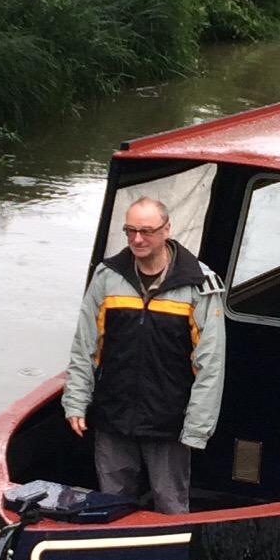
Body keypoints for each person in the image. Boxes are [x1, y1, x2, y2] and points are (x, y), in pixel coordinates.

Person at [62, 195, 226, 515]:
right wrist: (75, 401)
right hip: (113, 416)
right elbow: (85, 346)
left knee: (171, 506)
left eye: (147, 231)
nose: (137, 239)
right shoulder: (107, 277)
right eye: (130, 230)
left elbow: (211, 364)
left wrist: (196, 428)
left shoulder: (200, 284)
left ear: (167, 229)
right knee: (111, 505)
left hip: (169, 422)